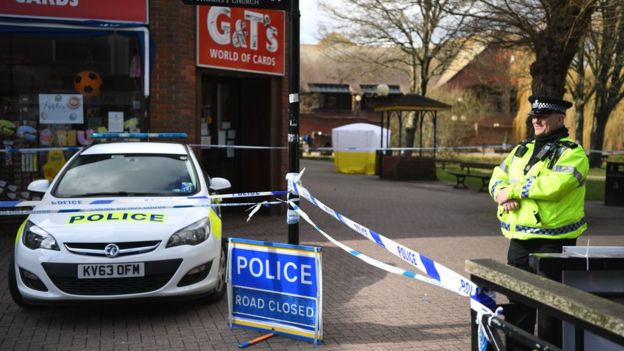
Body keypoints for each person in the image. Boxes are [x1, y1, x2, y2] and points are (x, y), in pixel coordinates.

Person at [488, 95, 589, 349]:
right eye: (534, 117)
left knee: (549, 313)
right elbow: (497, 175)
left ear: (560, 119)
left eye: (543, 117)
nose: (537, 121)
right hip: (519, 242)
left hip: (553, 243)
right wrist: (501, 191)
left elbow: (553, 186)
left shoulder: (573, 153)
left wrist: (513, 191)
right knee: (518, 306)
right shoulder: (521, 149)